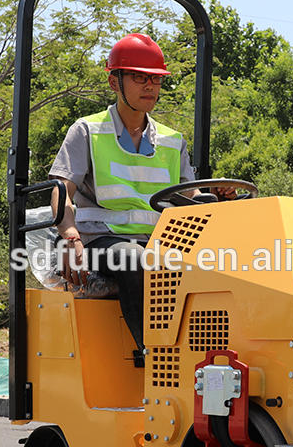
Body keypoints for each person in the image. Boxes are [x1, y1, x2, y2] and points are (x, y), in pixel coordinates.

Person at [48, 33, 234, 366]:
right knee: (133, 259)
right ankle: (153, 357)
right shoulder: (87, 131)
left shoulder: (171, 140)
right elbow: (62, 189)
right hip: (101, 244)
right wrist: (69, 237)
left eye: (155, 79)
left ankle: (217, 360)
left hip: (158, 244)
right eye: (138, 77)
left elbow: (190, 196)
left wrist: (213, 196)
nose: (149, 86)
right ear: (114, 82)